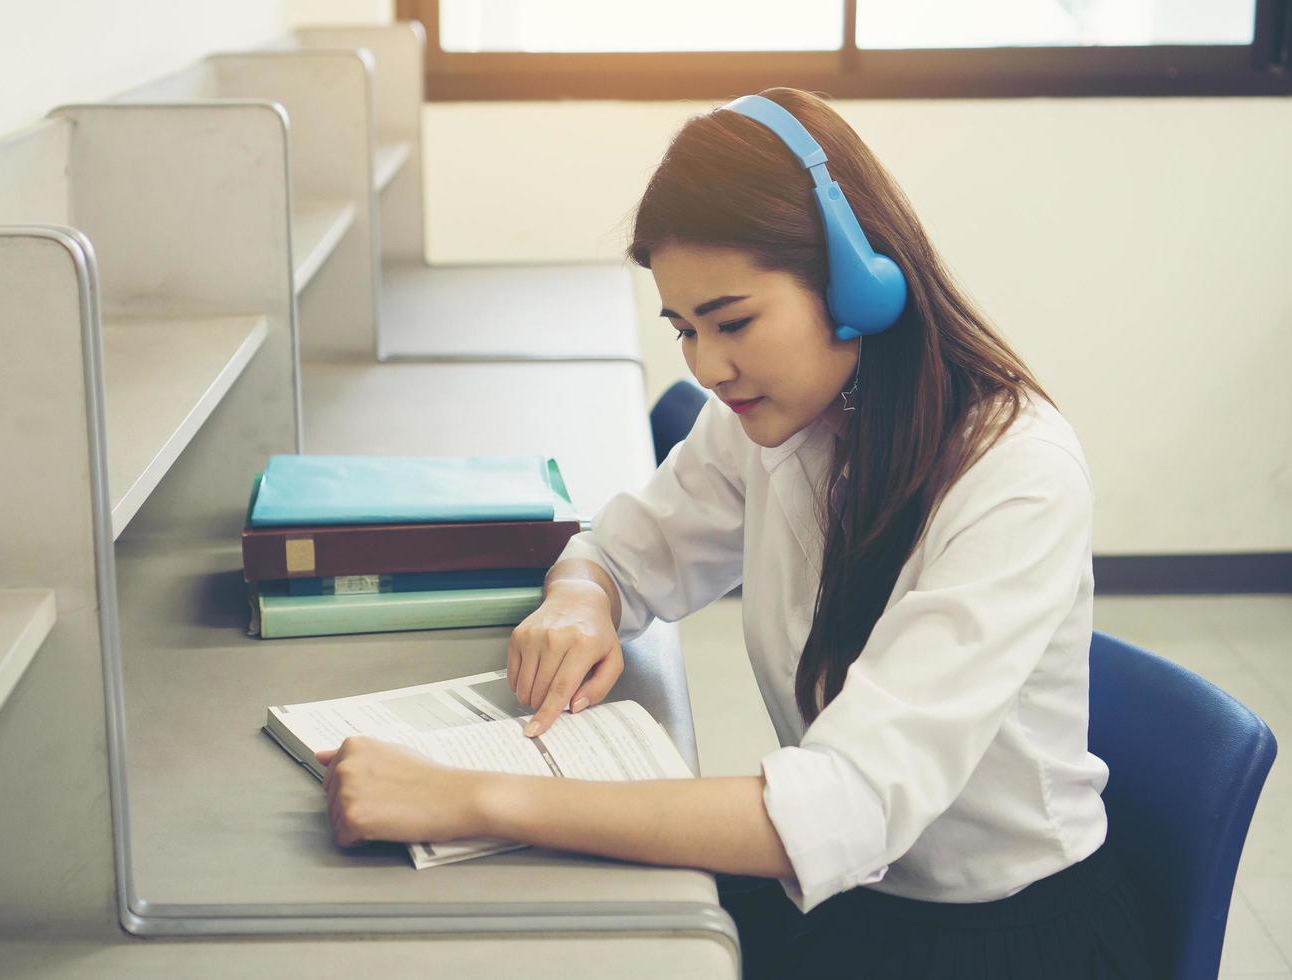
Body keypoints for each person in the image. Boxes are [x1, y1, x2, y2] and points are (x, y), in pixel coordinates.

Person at [314, 87, 1153, 978]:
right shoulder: (785, 415)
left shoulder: (1015, 475)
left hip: (999, 939)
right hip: (846, 900)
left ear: (855, 280)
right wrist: (578, 602)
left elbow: (847, 805)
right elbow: (619, 552)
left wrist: (471, 798)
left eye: (734, 322)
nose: (710, 367)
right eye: (685, 331)